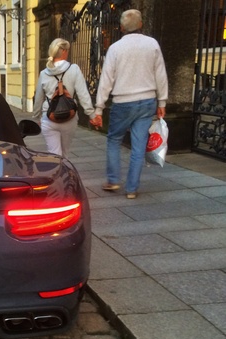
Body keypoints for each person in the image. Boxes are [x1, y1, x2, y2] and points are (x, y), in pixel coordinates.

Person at [90, 9, 168, 199]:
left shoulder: (115, 48)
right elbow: (161, 74)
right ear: (141, 24)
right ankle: (132, 188)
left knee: (114, 139)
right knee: (139, 145)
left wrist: (99, 108)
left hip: (123, 102)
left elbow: (106, 79)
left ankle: (113, 180)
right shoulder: (152, 44)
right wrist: (162, 101)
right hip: (147, 101)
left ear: (122, 27)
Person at [32, 38, 95, 157]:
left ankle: (56, 173)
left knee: (54, 154)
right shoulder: (74, 69)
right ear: (64, 51)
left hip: (49, 117)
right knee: (64, 154)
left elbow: (38, 98)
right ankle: (64, 173)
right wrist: (91, 114)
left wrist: (36, 117)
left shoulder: (44, 73)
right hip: (69, 118)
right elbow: (83, 94)